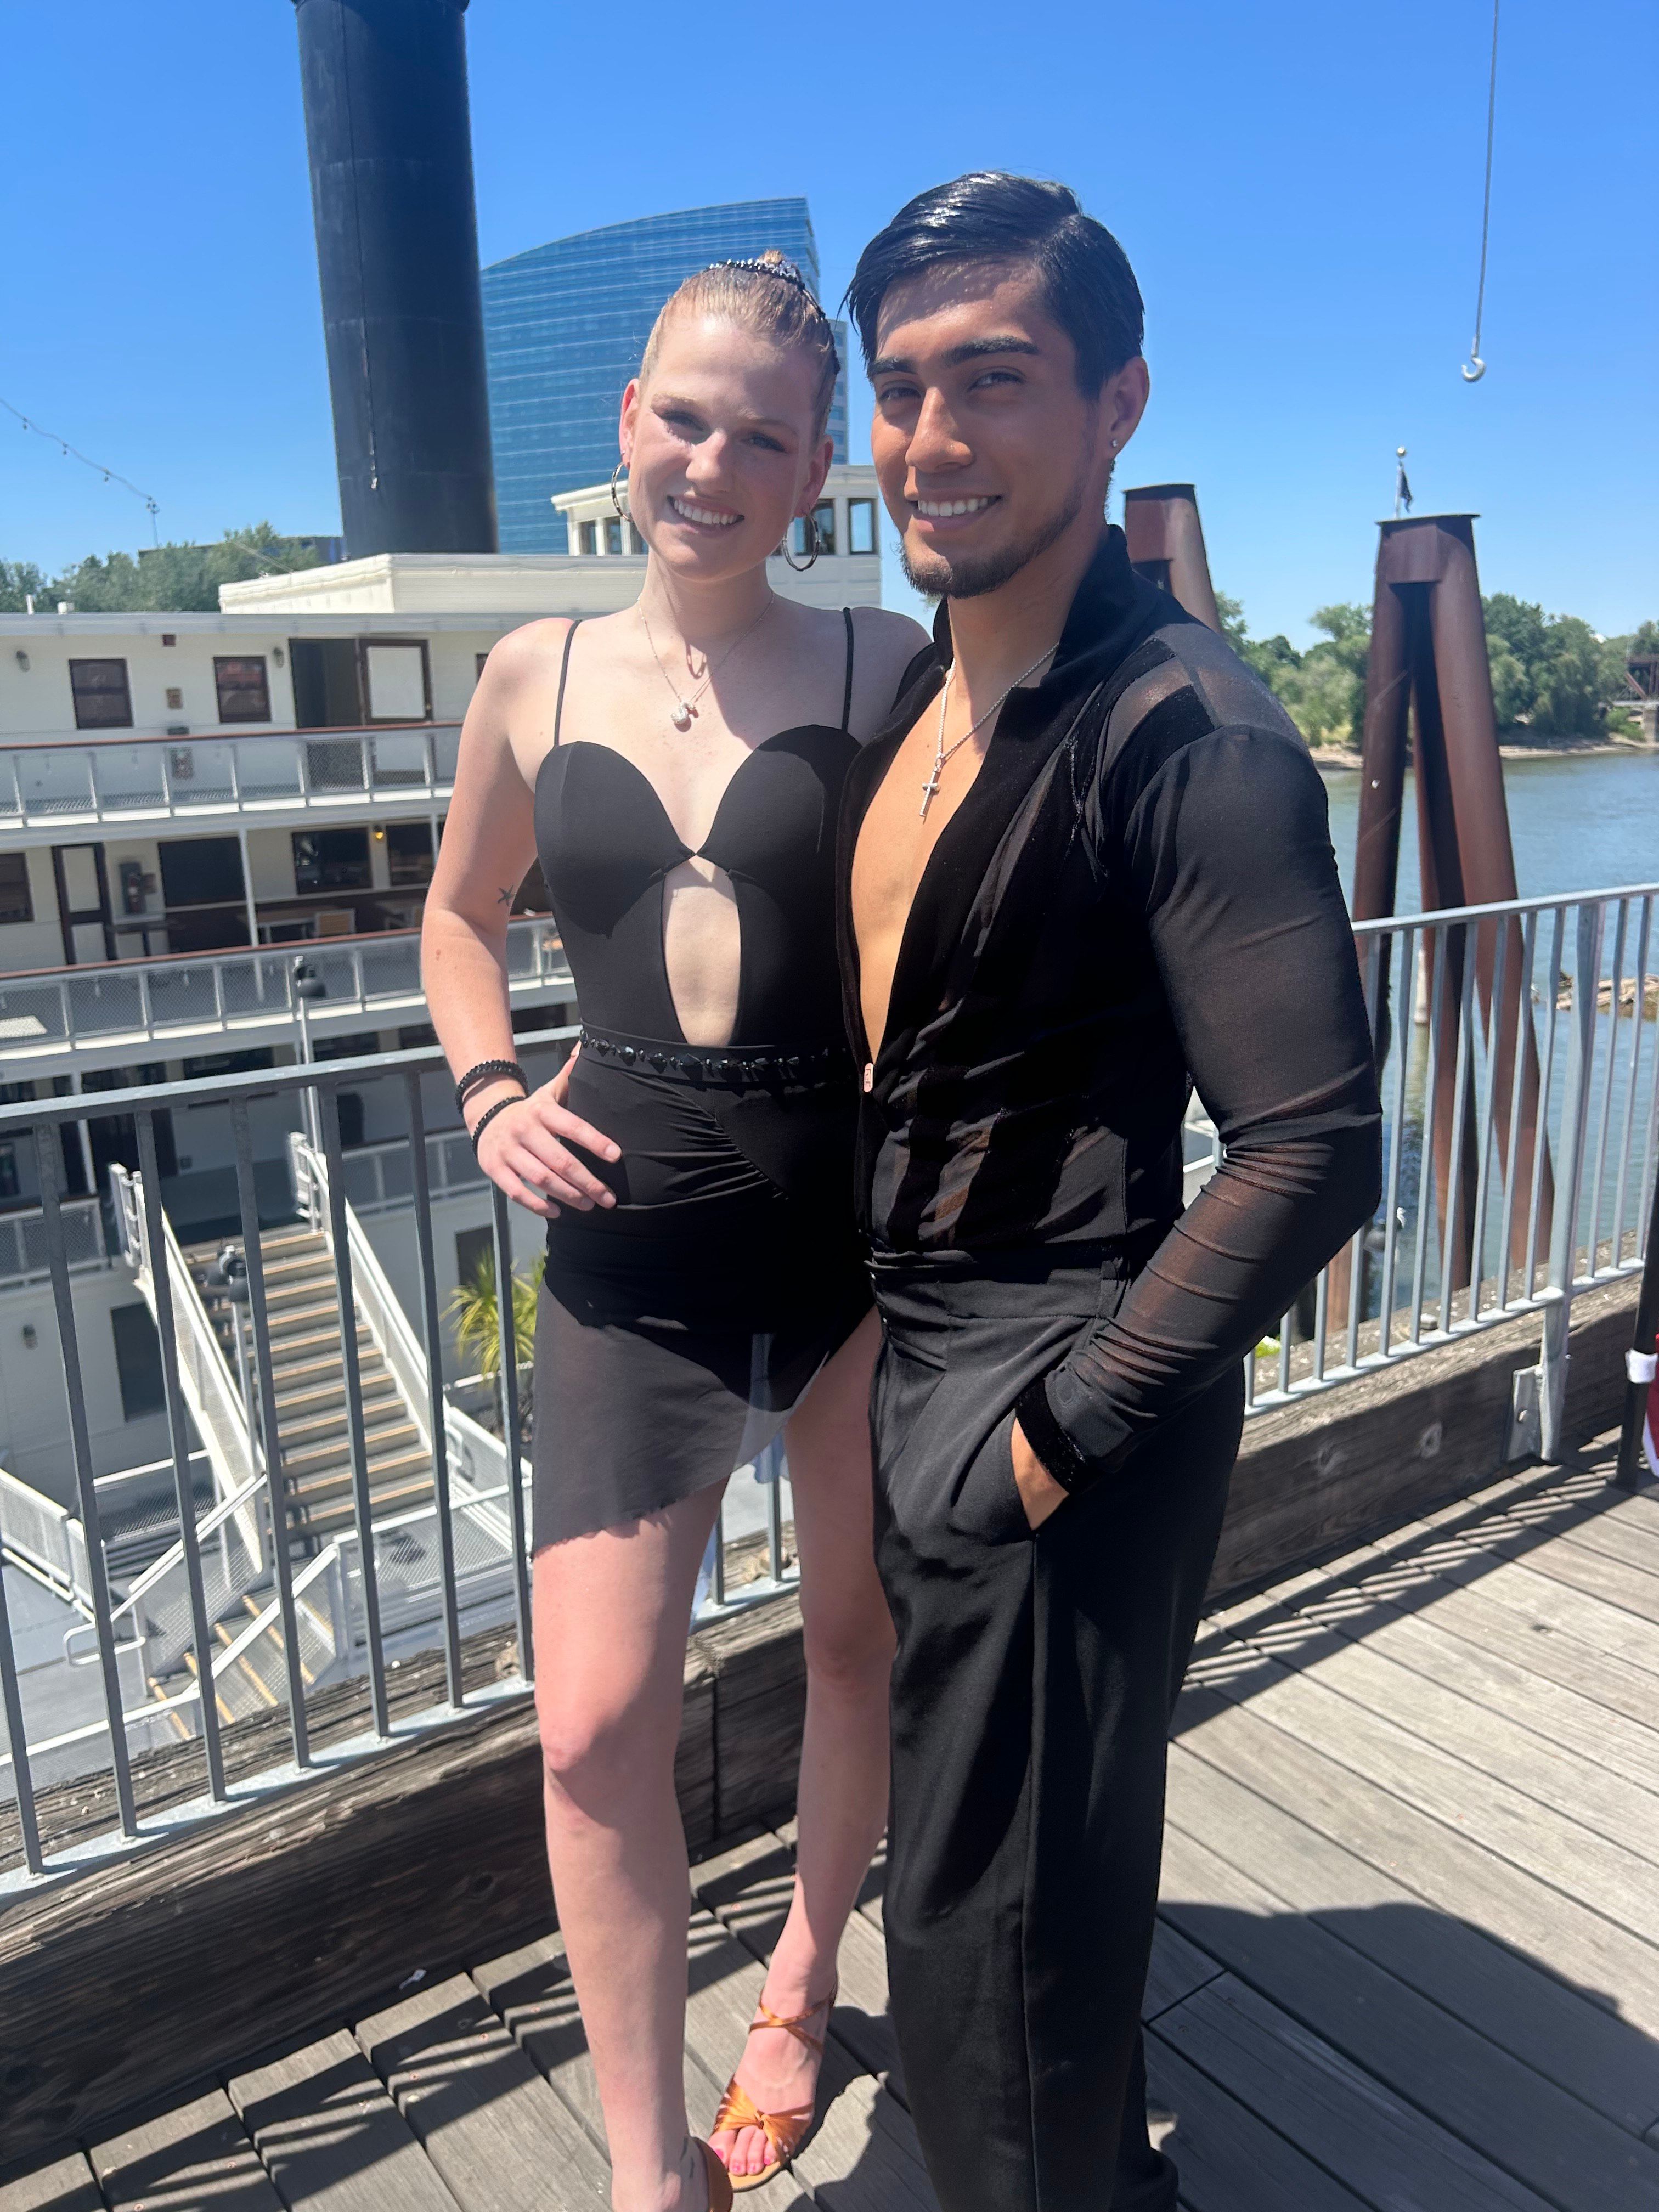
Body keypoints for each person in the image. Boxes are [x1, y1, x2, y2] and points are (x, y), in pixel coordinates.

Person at [838, 174, 1383, 2212]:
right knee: (1002, 1913)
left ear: (1118, 401)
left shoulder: (1193, 732)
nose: (934, 436)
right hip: (925, 1360)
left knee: (999, 1959)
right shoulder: (922, 695)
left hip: (1058, 1380)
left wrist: (1054, 1439)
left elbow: (1316, 1142)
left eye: (996, 378)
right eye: (903, 385)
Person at [422, 252, 927, 2212]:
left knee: (854, 1640)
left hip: (850, 1246)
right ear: (628, 421)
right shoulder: (532, 674)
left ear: (815, 469)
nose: (712, 465)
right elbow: (460, 917)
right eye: (684, 420)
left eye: (761, 438)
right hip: (627, 1264)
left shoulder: (883, 664)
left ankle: (799, 1982)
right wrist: (490, 1094)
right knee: (589, 1731)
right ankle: (654, 2179)